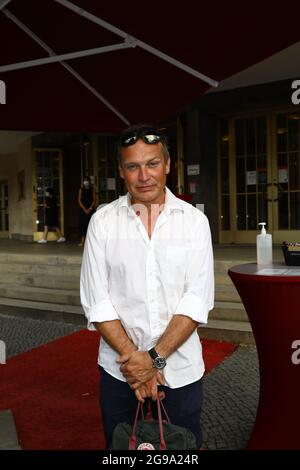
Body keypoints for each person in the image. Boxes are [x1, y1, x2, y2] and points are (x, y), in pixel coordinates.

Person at [80, 124, 214, 450]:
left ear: (167, 165)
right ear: (121, 172)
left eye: (152, 163)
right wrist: (135, 362)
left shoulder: (194, 222)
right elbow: (97, 301)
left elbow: (196, 300)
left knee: (181, 453)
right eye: (133, 166)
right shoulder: (103, 221)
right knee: (122, 452)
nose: (144, 176)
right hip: (120, 373)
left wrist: (153, 361)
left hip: (181, 371)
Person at [77, 176, 96, 247]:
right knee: (83, 225)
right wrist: (84, 209)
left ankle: (90, 242)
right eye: (84, 181)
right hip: (82, 210)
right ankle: (82, 241)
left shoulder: (92, 189)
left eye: (87, 181)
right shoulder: (81, 189)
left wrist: (90, 208)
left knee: (90, 225)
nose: (86, 182)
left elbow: (94, 200)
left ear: (89, 182)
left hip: (90, 210)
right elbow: (79, 200)